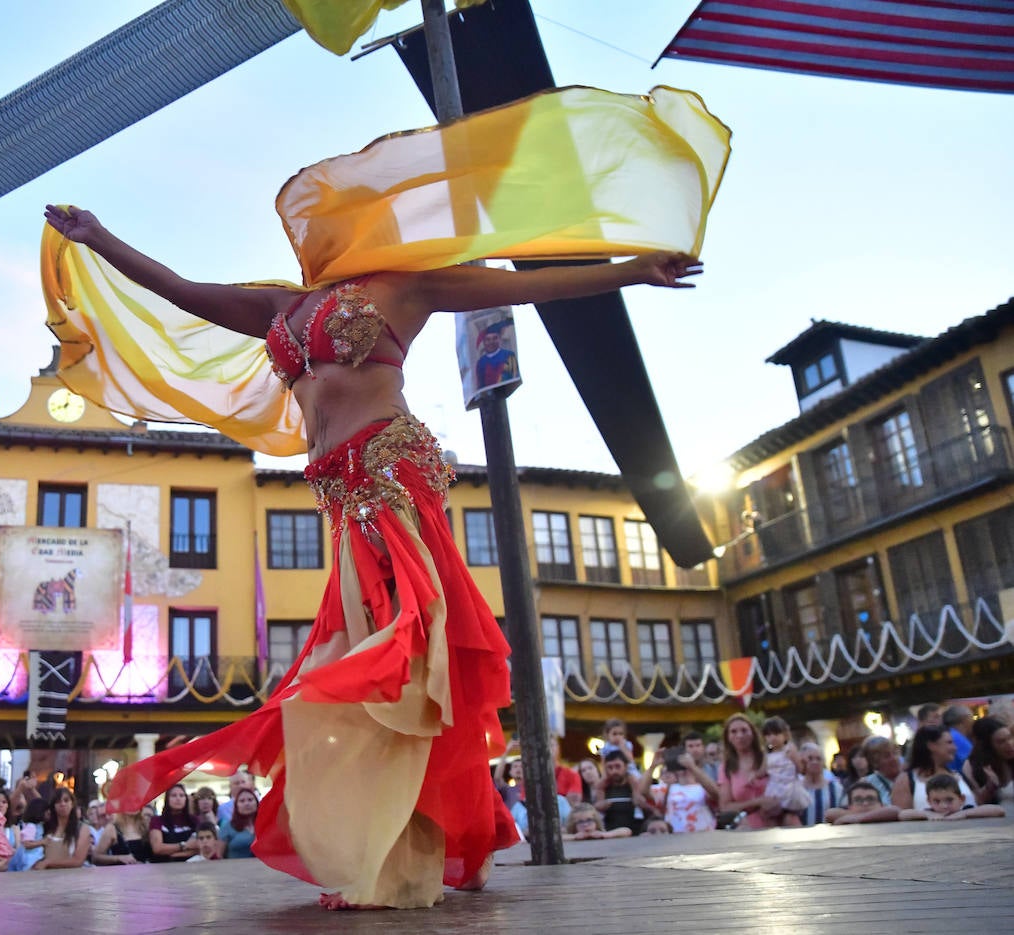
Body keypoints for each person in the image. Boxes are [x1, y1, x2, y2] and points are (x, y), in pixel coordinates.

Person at [48, 195, 702, 910]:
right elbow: (181, 290)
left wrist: (634, 270)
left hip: (391, 473)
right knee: (375, 669)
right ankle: (430, 838)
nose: (320, 233)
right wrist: (99, 236)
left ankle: (414, 851)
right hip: (339, 494)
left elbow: (525, 284)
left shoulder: (404, 286)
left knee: (403, 660)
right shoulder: (281, 305)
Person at [891, 726, 976, 811]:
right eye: (949, 743)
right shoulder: (907, 780)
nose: (955, 748)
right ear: (931, 746)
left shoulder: (959, 775)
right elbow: (901, 815)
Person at [717, 713, 779, 830]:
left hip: (779, 820)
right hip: (747, 825)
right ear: (728, 737)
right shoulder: (726, 768)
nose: (739, 735)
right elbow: (725, 807)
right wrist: (758, 802)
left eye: (744, 730)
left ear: (753, 733)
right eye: (734, 731)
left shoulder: (769, 757)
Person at [641, 747, 718, 833]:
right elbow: (644, 792)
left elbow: (716, 794)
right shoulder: (668, 788)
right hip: (674, 838)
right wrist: (652, 766)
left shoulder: (702, 787)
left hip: (702, 835)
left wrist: (692, 767)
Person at [898, 773, 1005, 822]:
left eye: (949, 800)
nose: (943, 805)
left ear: (961, 799)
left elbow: (999, 810)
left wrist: (964, 814)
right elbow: (902, 814)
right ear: (929, 801)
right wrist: (927, 814)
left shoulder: (965, 810)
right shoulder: (931, 813)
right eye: (936, 801)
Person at [760, 716, 807, 826]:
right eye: (768, 735)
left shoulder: (789, 749)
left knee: (790, 818)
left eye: (776, 734)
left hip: (789, 786)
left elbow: (800, 769)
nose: (772, 738)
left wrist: (794, 759)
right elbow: (763, 771)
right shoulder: (767, 755)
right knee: (771, 818)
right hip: (774, 788)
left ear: (785, 735)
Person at [33, 787, 89, 871]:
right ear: (53, 806)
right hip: (45, 877)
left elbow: (78, 861)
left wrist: (49, 862)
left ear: (72, 803)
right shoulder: (45, 827)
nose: (62, 804)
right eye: (58, 801)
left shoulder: (82, 828)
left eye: (66, 800)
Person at [593, 748, 645, 835]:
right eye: (610, 767)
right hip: (610, 834)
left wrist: (636, 790)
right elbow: (597, 807)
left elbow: (644, 805)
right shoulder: (602, 787)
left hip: (636, 833)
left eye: (618, 766)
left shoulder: (635, 783)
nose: (614, 771)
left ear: (626, 766)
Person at [967, 716, 1014, 807]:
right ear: (988, 746)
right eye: (1001, 741)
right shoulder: (971, 766)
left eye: (1010, 738)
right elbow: (977, 802)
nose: (1009, 744)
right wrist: (990, 786)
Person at [798, 742, 845, 827]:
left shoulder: (836, 788)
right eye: (810, 758)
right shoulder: (796, 789)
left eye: (818, 759)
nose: (815, 762)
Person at [147, 784, 196, 863]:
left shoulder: (195, 821)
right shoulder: (157, 821)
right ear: (167, 799)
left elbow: (199, 847)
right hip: (164, 868)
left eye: (181, 795)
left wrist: (176, 854)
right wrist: (184, 845)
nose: (178, 798)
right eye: (173, 795)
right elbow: (158, 848)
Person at [856, 736, 903, 805]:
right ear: (874, 762)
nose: (894, 759)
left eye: (895, 753)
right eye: (887, 756)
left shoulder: (910, 777)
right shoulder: (867, 784)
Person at [824, 783, 900, 825]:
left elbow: (895, 810)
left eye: (870, 799)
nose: (865, 803)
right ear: (850, 806)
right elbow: (829, 814)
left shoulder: (888, 813)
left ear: (881, 804)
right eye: (858, 800)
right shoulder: (846, 813)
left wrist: (857, 818)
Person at [473, 321, 517, 388]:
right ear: (484, 342)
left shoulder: (509, 355)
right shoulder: (481, 362)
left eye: (495, 338)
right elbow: (480, 385)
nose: (491, 342)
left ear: (499, 339)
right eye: (488, 339)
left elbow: (514, 377)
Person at [219, 788, 259, 859]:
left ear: (256, 802)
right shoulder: (227, 827)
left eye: (250, 800)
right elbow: (219, 855)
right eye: (242, 801)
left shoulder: (266, 825)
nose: (247, 803)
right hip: (235, 868)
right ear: (236, 805)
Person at [565, 804, 630, 840]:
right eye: (580, 822)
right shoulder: (571, 835)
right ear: (573, 824)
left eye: (589, 820)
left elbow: (627, 831)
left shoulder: (601, 834)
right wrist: (574, 837)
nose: (585, 825)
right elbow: (558, 838)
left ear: (596, 821)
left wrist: (605, 835)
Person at [942, 704, 975, 772]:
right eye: (972, 718)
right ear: (965, 719)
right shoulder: (956, 738)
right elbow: (974, 763)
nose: (973, 721)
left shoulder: (950, 734)